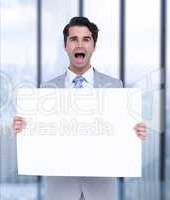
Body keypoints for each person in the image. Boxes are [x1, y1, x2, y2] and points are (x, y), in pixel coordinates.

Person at [12, 16, 146, 200]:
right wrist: (24, 129)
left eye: (86, 39)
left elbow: (120, 132)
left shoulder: (115, 86)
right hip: (61, 187)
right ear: (65, 46)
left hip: (101, 188)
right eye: (73, 39)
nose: (80, 45)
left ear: (94, 46)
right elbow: (42, 135)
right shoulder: (46, 89)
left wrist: (135, 132)